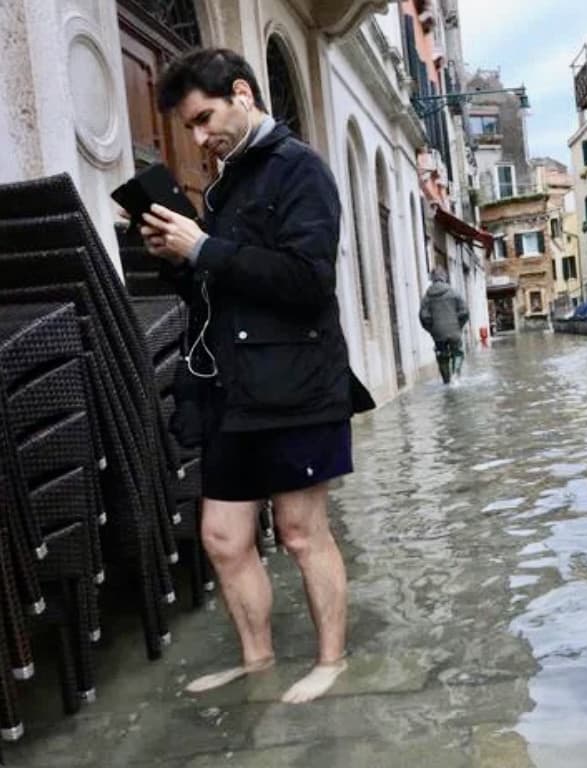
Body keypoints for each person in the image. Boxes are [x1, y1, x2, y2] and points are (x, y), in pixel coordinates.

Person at [139, 48, 356, 704]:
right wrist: (178, 259)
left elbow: (307, 280)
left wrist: (204, 247)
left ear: (242, 92)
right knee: (222, 537)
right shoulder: (228, 181)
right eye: (192, 130)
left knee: (298, 532)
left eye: (206, 120)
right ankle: (257, 659)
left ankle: (331, 660)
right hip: (230, 388)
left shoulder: (301, 170)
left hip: (298, 384)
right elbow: (223, 287)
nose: (201, 139)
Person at [419, 268, 469, 383]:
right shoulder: (453, 292)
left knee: (441, 355)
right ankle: (455, 375)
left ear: (432, 279)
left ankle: (446, 381)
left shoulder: (427, 297)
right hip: (454, 330)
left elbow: (424, 317)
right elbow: (465, 312)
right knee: (458, 351)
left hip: (438, 333)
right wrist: (458, 325)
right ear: (444, 277)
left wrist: (432, 330)